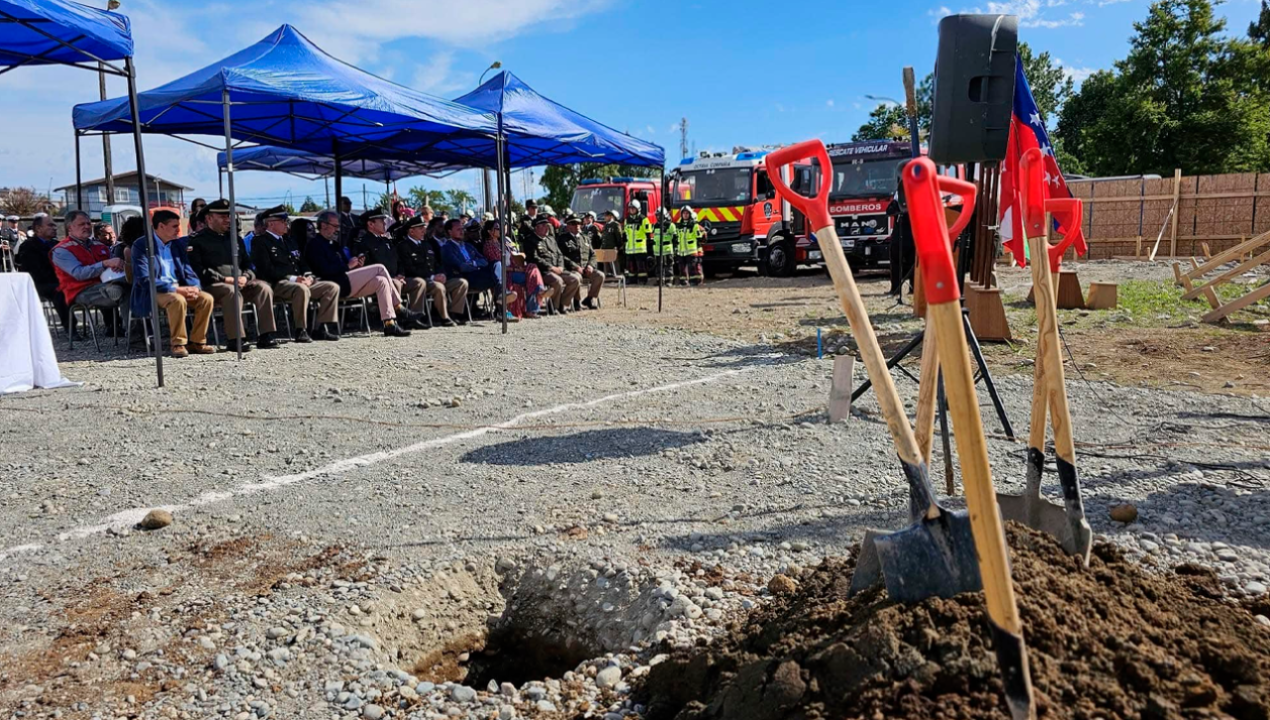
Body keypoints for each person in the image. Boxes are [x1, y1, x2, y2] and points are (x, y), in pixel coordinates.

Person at [306, 210, 416, 337]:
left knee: (382, 281)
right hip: (333, 283)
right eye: (334, 226)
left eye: (338, 226)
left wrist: (356, 265)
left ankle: (389, 323)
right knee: (379, 268)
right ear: (324, 225)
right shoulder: (314, 245)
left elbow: (345, 266)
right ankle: (398, 306)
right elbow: (324, 270)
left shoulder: (334, 244)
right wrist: (348, 266)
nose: (337, 229)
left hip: (345, 281)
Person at [187, 200, 278, 352]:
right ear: (209, 218)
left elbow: (249, 265)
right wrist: (224, 279)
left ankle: (266, 334)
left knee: (263, 288)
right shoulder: (197, 240)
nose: (228, 219)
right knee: (230, 291)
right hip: (213, 286)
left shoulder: (235, 238)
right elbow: (197, 269)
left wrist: (246, 277)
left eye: (228, 215)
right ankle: (236, 338)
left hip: (240, 283)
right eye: (222, 216)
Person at [129, 209, 216, 357]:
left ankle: (197, 342)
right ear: (161, 226)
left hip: (179, 288)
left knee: (206, 299)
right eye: (175, 226)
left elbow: (188, 270)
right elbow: (144, 279)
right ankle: (178, 344)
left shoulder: (177, 245)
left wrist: (194, 287)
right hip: (154, 291)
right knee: (177, 299)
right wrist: (175, 289)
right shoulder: (142, 245)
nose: (179, 229)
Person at [251, 205, 341, 342]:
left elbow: (302, 262)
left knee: (331, 287)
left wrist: (309, 276)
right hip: (278, 283)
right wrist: (294, 279)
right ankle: (301, 330)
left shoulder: (289, 241)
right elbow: (266, 269)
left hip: (300, 281)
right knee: (301, 289)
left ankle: (321, 328)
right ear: (271, 223)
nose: (286, 224)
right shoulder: (260, 242)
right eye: (283, 221)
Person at [52, 209, 129, 334]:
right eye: (82, 224)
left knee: (135, 286)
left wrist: (118, 266)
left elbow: (112, 267)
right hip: (80, 290)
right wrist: (105, 264)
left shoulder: (100, 246)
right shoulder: (61, 250)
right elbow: (79, 274)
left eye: (88, 223)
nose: (87, 226)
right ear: (69, 228)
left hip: (106, 283)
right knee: (125, 291)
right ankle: (135, 335)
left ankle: (141, 331)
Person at [396, 215, 463, 325]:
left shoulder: (426, 245)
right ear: (411, 231)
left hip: (433, 278)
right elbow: (409, 269)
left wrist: (442, 274)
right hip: (418, 279)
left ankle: (454, 313)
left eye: (424, 227)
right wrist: (432, 277)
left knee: (461, 283)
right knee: (438, 287)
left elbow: (437, 263)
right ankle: (439, 317)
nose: (424, 230)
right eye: (420, 228)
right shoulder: (403, 246)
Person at [354, 207, 426, 310]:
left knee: (418, 283)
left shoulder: (387, 241)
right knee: (395, 284)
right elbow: (367, 267)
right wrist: (392, 278)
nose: (385, 223)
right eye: (381, 221)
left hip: (396, 278)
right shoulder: (363, 243)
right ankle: (393, 319)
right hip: (379, 281)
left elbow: (398, 260)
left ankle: (416, 317)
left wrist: (401, 274)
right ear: (371, 224)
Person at [437, 217, 504, 316]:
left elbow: (485, 261)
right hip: (466, 277)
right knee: (500, 276)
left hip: (479, 274)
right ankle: (502, 303)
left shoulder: (468, 246)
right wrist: (476, 264)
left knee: (496, 263)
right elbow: (461, 267)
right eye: (458, 229)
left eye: (462, 229)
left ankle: (502, 298)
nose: (462, 231)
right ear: (450, 232)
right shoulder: (447, 248)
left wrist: (473, 263)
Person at [16, 213, 69, 330]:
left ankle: (111, 325)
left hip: (60, 280)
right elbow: (35, 271)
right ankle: (70, 327)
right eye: (50, 225)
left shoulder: (58, 244)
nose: (55, 228)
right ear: (38, 228)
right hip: (40, 284)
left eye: (55, 225)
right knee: (59, 290)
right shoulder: (28, 246)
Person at [529, 215, 579, 313]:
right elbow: (534, 258)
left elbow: (559, 254)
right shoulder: (530, 241)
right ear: (536, 227)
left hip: (558, 269)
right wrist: (551, 267)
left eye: (547, 225)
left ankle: (562, 304)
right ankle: (553, 307)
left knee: (575, 279)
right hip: (543, 272)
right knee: (558, 281)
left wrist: (560, 266)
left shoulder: (550, 239)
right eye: (543, 225)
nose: (547, 227)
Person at [558, 214, 604, 309]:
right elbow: (561, 256)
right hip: (572, 269)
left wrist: (590, 265)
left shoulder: (585, 238)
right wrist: (575, 266)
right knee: (577, 277)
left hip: (586, 269)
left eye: (579, 223)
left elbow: (593, 254)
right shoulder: (562, 239)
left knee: (600, 275)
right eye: (574, 223)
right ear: (568, 226)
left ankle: (589, 298)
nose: (577, 225)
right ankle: (576, 301)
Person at [887, 169, 915, 297]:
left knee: (913, 262)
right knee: (896, 261)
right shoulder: (899, 194)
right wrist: (898, 208)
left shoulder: (916, 194)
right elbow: (889, 211)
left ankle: (913, 287)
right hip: (900, 234)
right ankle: (896, 288)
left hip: (911, 234)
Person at [623, 200, 651, 283]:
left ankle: (642, 280)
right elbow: (625, 232)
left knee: (641, 266)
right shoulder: (627, 220)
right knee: (631, 266)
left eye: (633, 209)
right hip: (630, 248)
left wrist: (648, 244)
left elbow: (648, 232)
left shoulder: (643, 219)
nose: (631, 210)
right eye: (630, 208)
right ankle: (632, 280)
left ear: (638, 209)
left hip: (640, 248)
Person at [676, 206, 705, 286]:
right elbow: (676, 237)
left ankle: (694, 282)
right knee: (681, 268)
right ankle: (683, 282)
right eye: (684, 213)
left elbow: (699, 237)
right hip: (681, 251)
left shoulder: (694, 225)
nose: (685, 215)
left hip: (691, 251)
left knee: (692, 267)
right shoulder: (678, 225)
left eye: (687, 213)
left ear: (690, 214)